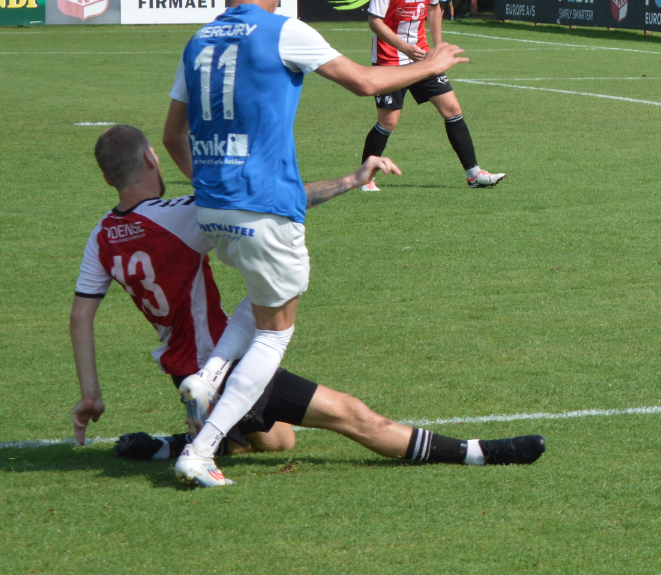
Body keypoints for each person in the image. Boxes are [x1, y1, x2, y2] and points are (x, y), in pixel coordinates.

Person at [161, 0, 471, 487]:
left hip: (214, 211)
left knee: (258, 301)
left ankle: (207, 377)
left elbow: (171, 134)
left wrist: (210, 183)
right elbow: (366, 82)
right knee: (274, 333)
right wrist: (432, 63)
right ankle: (201, 449)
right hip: (266, 211)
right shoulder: (284, 31)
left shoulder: (200, 39)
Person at [71, 126, 546, 478]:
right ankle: (480, 452)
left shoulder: (101, 235)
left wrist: (91, 394)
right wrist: (351, 179)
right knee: (355, 416)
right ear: (153, 159)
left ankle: (169, 444)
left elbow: (81, 314)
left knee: (279, 439)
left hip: (179, 364)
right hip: (220, 361)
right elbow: (281, 204)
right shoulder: (183, 213)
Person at [358, 0, 504, 192]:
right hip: (390, 58)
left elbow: (434, 9)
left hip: (422, 56)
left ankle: (474, 174)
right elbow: (374, 21)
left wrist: (437, 48)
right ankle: (364, 178)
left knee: (452, 108)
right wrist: (403, 47)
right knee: (388, 121)